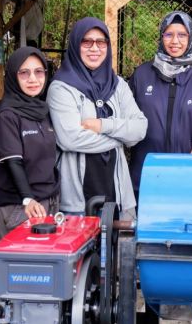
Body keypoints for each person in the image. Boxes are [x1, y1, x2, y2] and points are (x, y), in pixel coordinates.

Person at [47, 17, 147, 219]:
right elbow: (69, 139)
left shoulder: (118, 85)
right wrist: (121, 138)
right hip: (77, 199)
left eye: (101, 42)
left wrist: (103, 125)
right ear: (75, 45)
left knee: (121, 237)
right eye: (86, 41)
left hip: (118, 193)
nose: (94, 48)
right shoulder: (61, 88)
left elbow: (140, 128)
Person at [129, 11, 192, 198]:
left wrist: (191, 160)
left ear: (191, 37)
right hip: (146, 172)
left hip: (189, 173)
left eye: (182, 35)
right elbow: (127, 118)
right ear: (161, 37)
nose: (175, 41)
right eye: (168, 34)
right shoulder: (142, 74)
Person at [0, 47, 60, 242]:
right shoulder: (7, 115)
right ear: (13, 76)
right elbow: (13, 162)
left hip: (47, 201)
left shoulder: (41, 110)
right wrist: (27, 198)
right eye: (24, 73)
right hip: (20, 207)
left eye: (39, 72)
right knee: (19, 262)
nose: (33, 79)